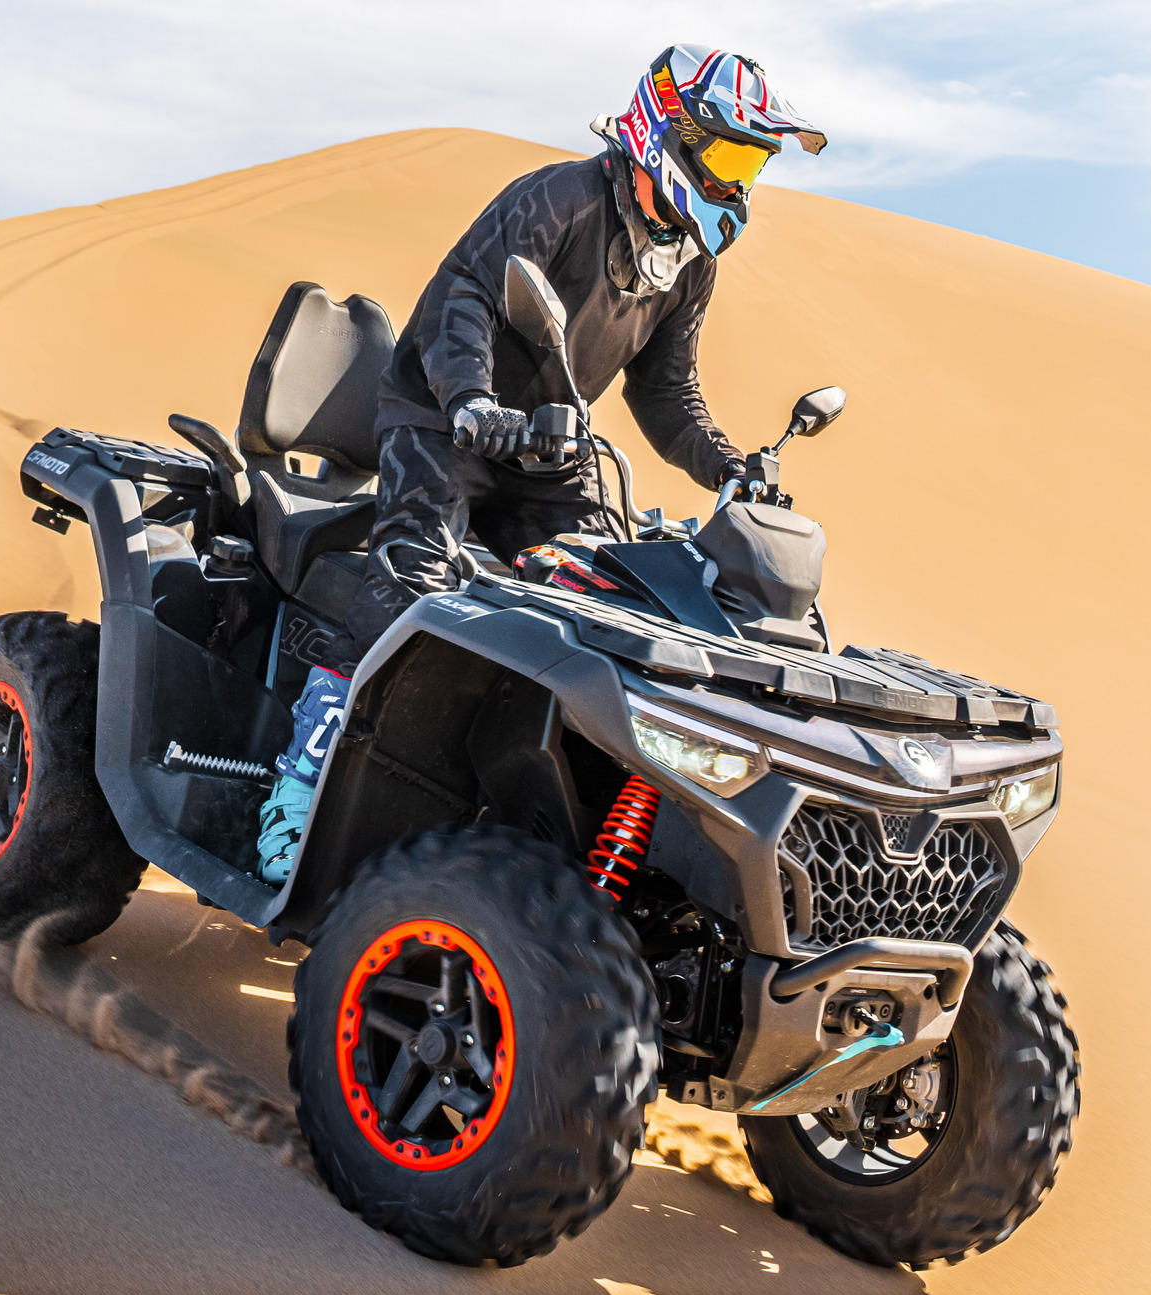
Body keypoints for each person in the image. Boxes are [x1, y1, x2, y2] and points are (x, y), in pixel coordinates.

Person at [257, 46, 828, 884]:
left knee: (612, 601)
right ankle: (296, 791)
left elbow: (665, 389)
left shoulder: (689, 262)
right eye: (725, 156)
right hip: (441, 421)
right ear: (667, 132)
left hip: (552, 448)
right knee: (407, 586)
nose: (734, 181)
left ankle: (547, 811)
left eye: (749, 164)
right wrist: (470, 403)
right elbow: (466, 297)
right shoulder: (559, 198)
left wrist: (725, 467)